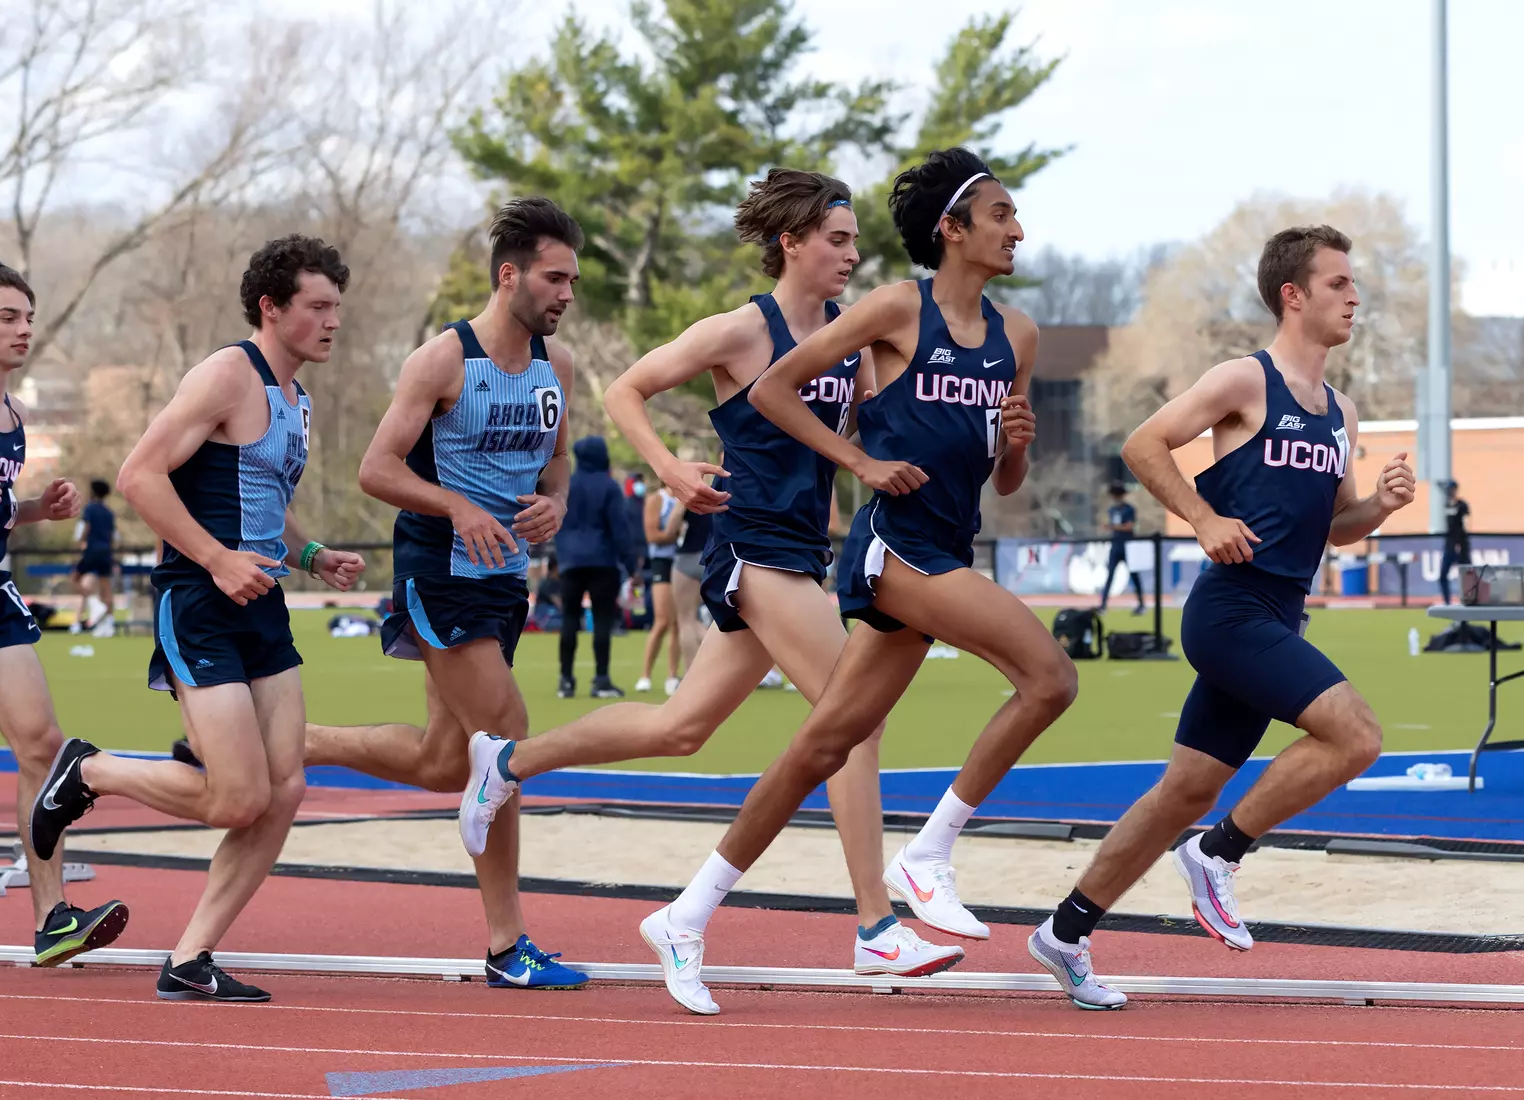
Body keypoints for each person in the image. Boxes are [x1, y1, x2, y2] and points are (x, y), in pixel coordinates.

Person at [460, 168, 967, 992]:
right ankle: (876, 923)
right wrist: (668, 469)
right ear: (791, 243)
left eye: (854, 242)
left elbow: (872, 430)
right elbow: (626, 389)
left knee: (680, 727)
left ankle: (508, 763)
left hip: (802, 550)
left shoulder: (849, 336)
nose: (851, 254)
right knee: (853, 722)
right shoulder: (740, 331)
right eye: (836, 240)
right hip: (750, 545)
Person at [620, 148, 1076, 1015]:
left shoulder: (1021, 336)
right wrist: (859, 459)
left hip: (950, 539)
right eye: (1003, 215)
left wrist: (1016, 438)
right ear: (952, 229)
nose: (1019, 230)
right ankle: (926, 858)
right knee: (1050, 676)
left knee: (822, 746)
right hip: (893, 550)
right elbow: (773, 393)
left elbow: (1006, 480)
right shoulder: (894, 307)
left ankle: (686, 915)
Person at [1027, 225, 1416, 1010]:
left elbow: (1335, 526)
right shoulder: (1246, 380)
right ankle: (1219, 853)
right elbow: (1145, 445)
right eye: (1339, 284)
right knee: (1357, 735)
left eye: (1354, 283)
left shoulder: (1339, 410)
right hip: (1231, 612)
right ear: (1293, 296)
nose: (1355, 297)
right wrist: (1203, 519)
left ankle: (1064, 933)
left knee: (1181, 792)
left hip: (1280, 613)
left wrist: (1378, 503)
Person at [30, 236, 366, 1002]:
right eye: (317, 305)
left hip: (264, 607)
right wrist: (216, 558)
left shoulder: (297, 398)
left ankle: (190, 959)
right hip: (201, 603)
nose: (332, 321)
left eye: (337, 306)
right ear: (270, 307)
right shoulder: (225, 375)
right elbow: (139, 476)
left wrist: (310, 554)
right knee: (239, 797)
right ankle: (88, 771)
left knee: (284, 792)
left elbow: (259, 500)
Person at [287, 197, 588, 990]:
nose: (565, 294)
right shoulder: (441, 361)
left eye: (573, 281)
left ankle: (290, 739)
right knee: (505, 739)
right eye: (555, 279)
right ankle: (505, 946)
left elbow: (560, 464)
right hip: (439, 573)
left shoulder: (557, 369)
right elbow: (376, 470)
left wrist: (554, 501)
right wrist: (456, 504)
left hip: (504, 581)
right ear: (509, 275)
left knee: (440, 760)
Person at [0, 260, 128, 966]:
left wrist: (37, 508)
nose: (24, 329)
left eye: (29, 317)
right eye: (8, 317)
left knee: (42, 746)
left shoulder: (14, 417)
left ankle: (52, 917)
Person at [554, 434, 641, 698]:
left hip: (570, 561)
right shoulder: (609, 486)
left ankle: (566, 680)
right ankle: (601, 679)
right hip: (603, 561)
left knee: (570, 619)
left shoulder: (565, 485)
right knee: (603, 620)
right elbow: (620, 530)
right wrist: (631, 564)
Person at [636, 485, 685, 694]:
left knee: (678, 623)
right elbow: (652, 535)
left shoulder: (688, 498)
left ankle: (672, 677)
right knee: (662, 620)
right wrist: (678, 535)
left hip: (683, 563)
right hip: (662, 563)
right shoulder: (658, 499)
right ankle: (645, 675)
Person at [71, 479, 118, 636]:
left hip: (91, 550)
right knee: (106, 587)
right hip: (106, 552)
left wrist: (82, 542)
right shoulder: (109, 512)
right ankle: (109, 622)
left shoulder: (89, 509)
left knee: (75, 579)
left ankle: (94, 604)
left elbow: (86, 527)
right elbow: (112, 535)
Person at [670, 496, 711, 673]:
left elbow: (670, 529)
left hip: (687, 557)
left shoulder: (687, 494)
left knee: (685, 620)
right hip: (711, 557)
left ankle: (691, 672)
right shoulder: (722, 491)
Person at [1097, 483, 1144, 615]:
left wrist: (1113, 527)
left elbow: (1129, 526)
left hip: (1128, 545)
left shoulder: (1129, 509)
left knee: (1134, 576)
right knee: (1110, 575)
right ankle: (1103, 605)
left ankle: (1141, 604)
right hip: (1116, 545)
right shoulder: (1112, 510)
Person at [1438, 479, 1470, 605]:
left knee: (1467, 576)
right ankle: (1447, 602)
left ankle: (1468, 601)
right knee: (1443, 576)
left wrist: (1461, 544)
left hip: (1461, 545)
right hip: (1449, 546)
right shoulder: (1446, 505)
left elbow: (1467, 523)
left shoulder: (1462, 505)